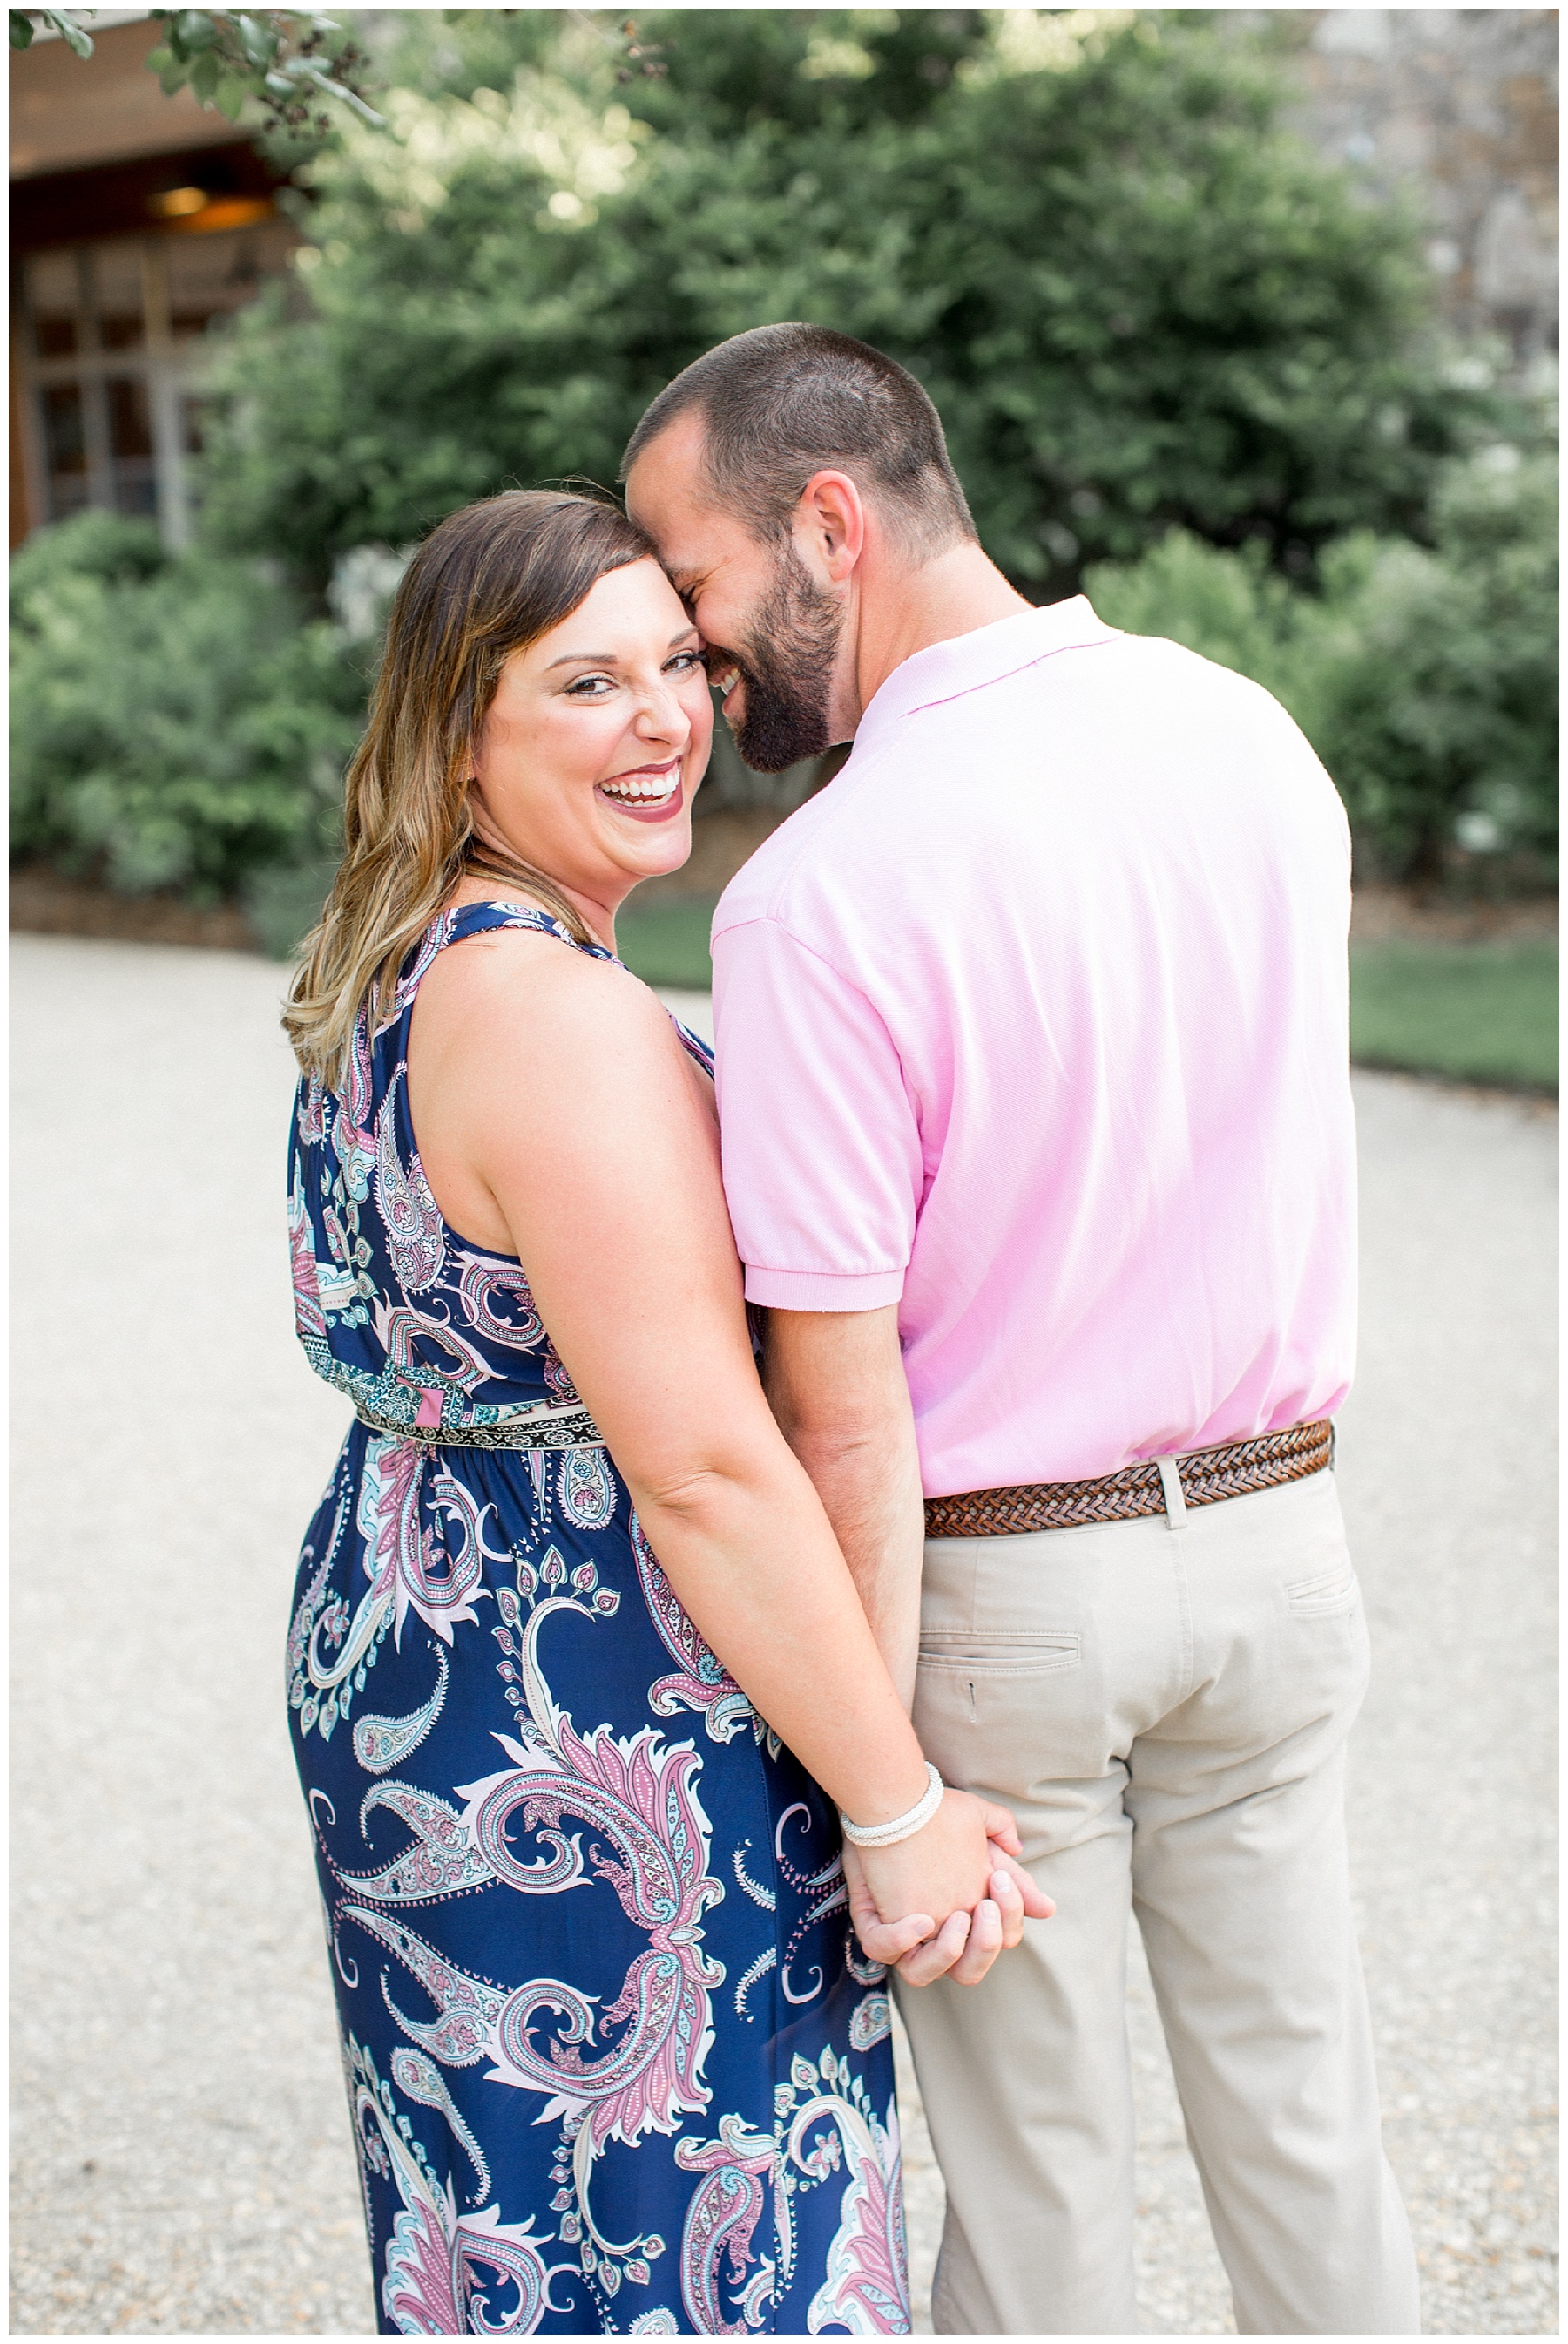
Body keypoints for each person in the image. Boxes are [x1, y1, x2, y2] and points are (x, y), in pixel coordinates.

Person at [624, 324, 1423, 2336]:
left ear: (829, 524)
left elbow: (848, 1421)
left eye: (699, 593)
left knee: (1039, 2203)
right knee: (1312, 2136)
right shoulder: (1251, 736)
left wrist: (871, 1777)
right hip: (1279, 1549)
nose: (702, 667)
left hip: (1008, 1601)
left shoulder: (815, 899)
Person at [280, 487, 1048, 2338]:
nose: (668, 718)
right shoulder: (551, 1017)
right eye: (588, 683)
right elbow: (701, 1463)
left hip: (427, 1645)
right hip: (586, 1707)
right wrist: (899, 1801)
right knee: (686, 2228)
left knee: (523, 2224)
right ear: (461, 732)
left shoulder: (401, 970)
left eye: (681, 667)